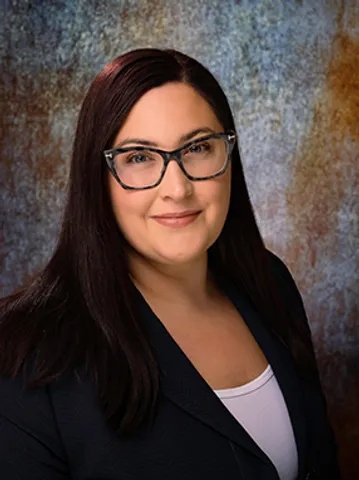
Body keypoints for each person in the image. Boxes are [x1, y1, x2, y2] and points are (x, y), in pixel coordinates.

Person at [0, 48, 340, 480]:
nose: (177, 189)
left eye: (197, 147)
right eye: (139, 157)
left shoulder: (269, 284)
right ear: (97, 177)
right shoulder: (23, 354)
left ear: (229, 154)